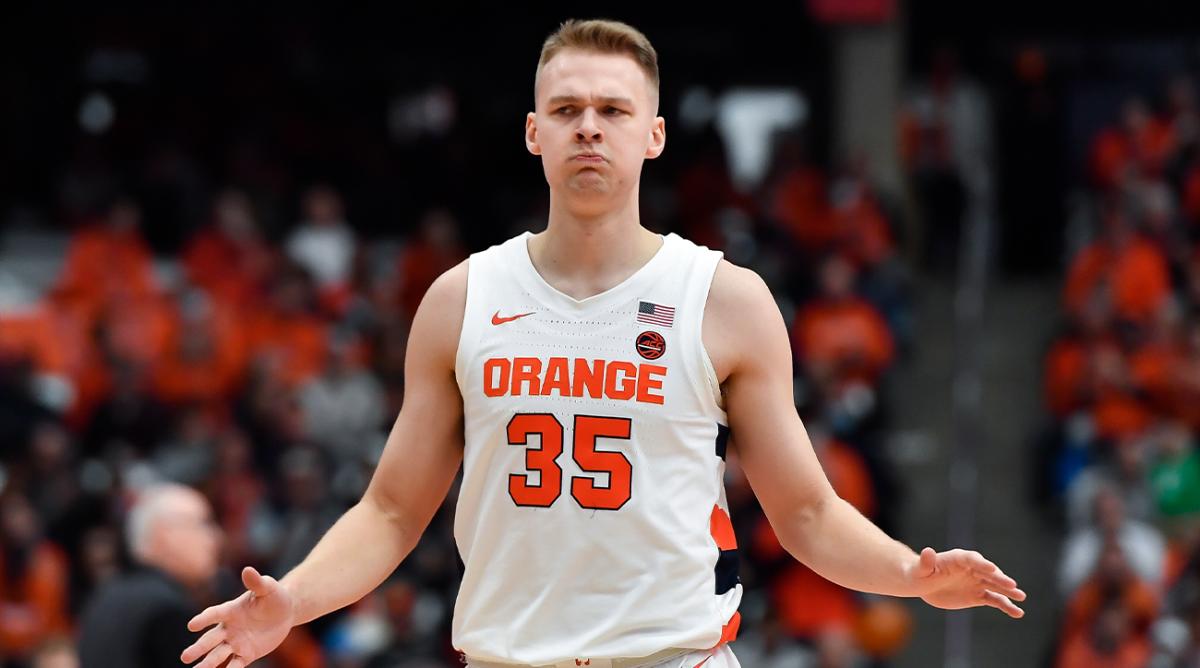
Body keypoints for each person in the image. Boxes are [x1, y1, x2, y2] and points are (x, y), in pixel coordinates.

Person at [182, 18, 1026, 668]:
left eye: (613, 110)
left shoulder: (724, 300)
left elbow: (805, 512)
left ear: (653, 136)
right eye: (567, 110)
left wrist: (909, 573)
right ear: (533, 133)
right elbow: (394, 510)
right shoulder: (461, 298)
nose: (589, 127)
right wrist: (293, 598)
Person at [78, 484, 222, 668]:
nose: (216, 538)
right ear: (167, 534)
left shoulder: (104, 595)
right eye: (204, 524)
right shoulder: (166, 608)